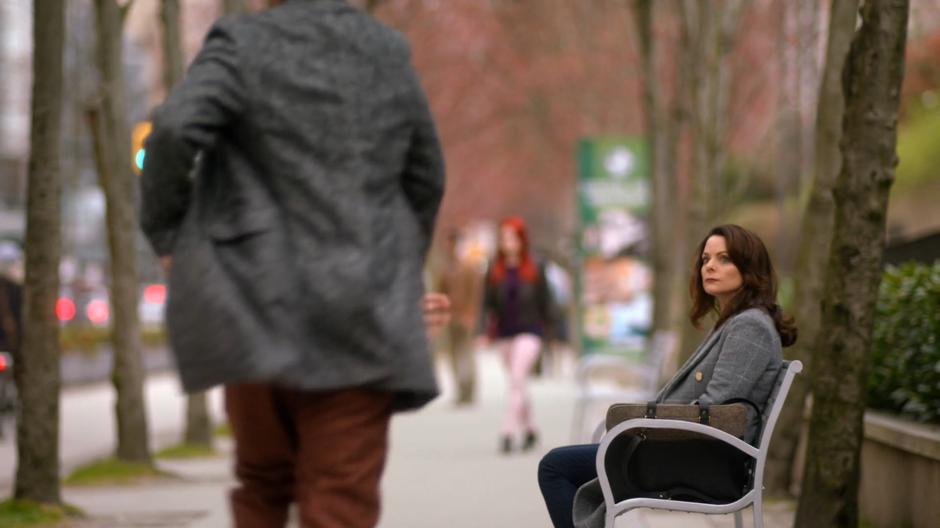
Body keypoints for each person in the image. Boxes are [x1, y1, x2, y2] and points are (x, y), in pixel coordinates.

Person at [139, 1, 445, 526]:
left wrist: (171, 235)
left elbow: (170, 133)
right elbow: (425, 176)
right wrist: (397, 276)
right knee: (340, 497)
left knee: (262, 485)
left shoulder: (239, 44)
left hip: (254, 303)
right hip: (361, 318)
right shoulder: (386, 50)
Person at [537, 224, 798, 528]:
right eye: (705, 259)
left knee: (555, 467)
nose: (710, 266)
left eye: (724, 259)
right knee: (564, 463)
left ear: (750, 268)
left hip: (701, 462)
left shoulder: (749, 327)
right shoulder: (735, 321)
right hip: (690, 453)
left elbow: (714, 412)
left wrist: (640, 423)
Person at [481, 216, 552, 453]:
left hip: (530, 331)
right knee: (517, 384)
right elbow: (486, 303)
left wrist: (552, 333)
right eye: (503, 238)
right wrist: (482, 332)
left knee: (516, 380)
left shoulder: (535, 267)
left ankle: (507, 432)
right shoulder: (494, 269)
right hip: (504, 334)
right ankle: (530, 429)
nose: (507, 242)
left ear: (522, 240)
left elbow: (547, 302)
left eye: (512, 237)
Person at [437, 229, 484, 405]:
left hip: (465, 316)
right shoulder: (445, 268)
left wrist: (471, 313)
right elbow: (441, 292)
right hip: (451, 317)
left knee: (466, 353)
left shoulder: (468, 267)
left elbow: (475, 293)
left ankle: (469, 388)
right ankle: (460, 389)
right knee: (453, 354)